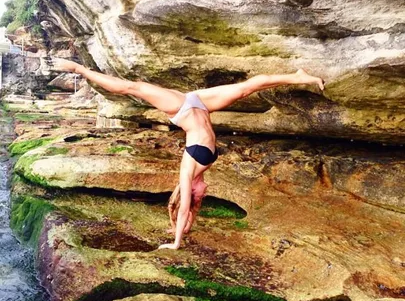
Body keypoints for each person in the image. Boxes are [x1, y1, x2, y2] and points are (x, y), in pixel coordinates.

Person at [46, 58, 324, 250]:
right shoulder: (205, 165)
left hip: (180, 107)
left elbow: (183, 212)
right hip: (199, 104)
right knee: (245, 88)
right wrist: (184, 223)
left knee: (133, 87)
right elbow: (188, 214)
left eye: (197, 196)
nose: (204, 193)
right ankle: (297, 78)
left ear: (190, 192)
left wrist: (177, 240)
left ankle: (78, 68)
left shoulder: (188, 172)